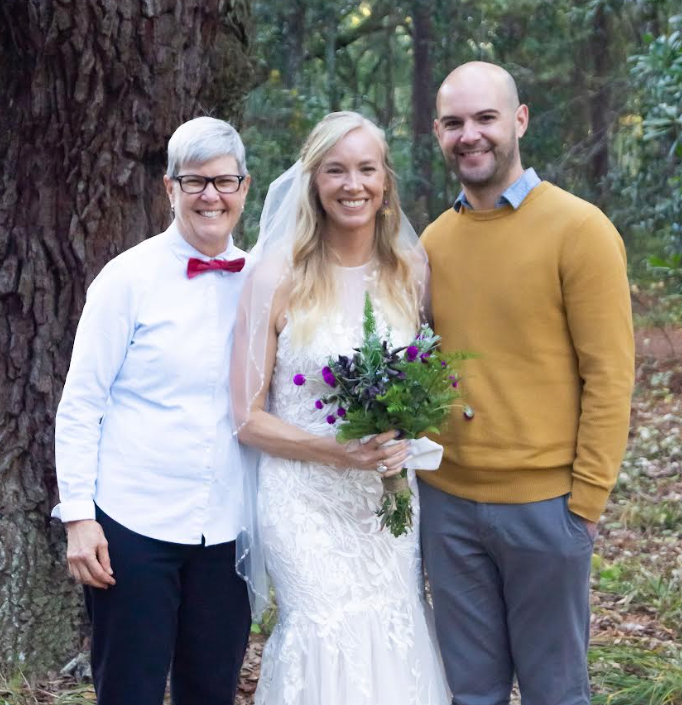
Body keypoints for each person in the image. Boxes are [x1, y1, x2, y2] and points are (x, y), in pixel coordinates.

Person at [418, 61, 635, 705]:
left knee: (554, 693)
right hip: (447, 505)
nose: (470, 135)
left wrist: (586, 503)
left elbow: (610, 376)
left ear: (519, 120)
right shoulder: (432, 241)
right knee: (471, 694)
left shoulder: (580, 230)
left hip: (547, 507)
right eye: (454, 123)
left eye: (485, 118)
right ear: (437, 132)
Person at [231, 111, 450, 705]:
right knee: (324, 634)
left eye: (366, 169)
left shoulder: (410, 272)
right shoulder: (275, 276)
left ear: (385, 182)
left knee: (395, 624)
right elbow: (247, 416)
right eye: (335, 170)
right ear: (314, 182)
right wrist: (337, 451)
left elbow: (419, 382)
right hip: (304, 500)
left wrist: (405, 434)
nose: (352, 184)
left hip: (386, 500)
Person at [53, 116, 252, 705]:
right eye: (194, 182)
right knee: (129, 690)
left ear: (244, 187)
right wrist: (79, 517)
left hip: (228, 527)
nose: (210, 195)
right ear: (170, 189)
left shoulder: (263, 281)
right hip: (132, 526)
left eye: (224, 181)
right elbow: (81, 402)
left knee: (210, 689)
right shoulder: (126, 279)